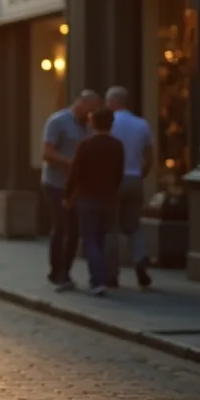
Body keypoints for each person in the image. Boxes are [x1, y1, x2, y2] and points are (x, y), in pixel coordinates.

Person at [41, 90, 101, 291]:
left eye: (94, 111)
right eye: (89, 109)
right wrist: (72, 164)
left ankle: (66, 271)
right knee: (60, 227)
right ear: (80, 103)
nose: (91, 114)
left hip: (78, 187)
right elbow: (47, 153)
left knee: (75, 230)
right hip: (56, 184)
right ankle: (56, 272)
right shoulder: (57, 121)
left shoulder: (89, 127)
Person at [65, 108, 126, 296]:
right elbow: (119, 172)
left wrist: (67, 195)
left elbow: (75, 173)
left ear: (93, 123)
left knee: (89, 239)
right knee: (100, 238)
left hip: (87, 197)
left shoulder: (86, 145)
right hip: (108, 197)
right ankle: (100, 278)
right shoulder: (117, 145)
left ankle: (98, 280)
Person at [106, 86, 154, 289]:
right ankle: (140, 259)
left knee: (110, 228)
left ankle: (111, 274)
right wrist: (141, 174)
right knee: (134, 226)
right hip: (135, 179)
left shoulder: (108, 124)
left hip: (113, 180)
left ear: (113, 102)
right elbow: (150, 155)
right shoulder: (142, 124)